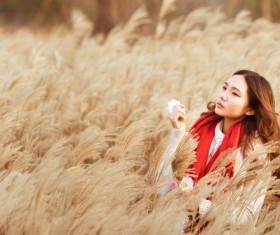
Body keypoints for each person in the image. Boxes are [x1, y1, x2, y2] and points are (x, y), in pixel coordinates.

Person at [156, 69, 280, 225]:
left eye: (235, 93)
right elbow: (161, 187)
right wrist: (178, 133)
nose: (223, 95)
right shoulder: (200, 130)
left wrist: (201, 207)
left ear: (250, 109)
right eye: (224, 87)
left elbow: (248, 216)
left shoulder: (255, 153)